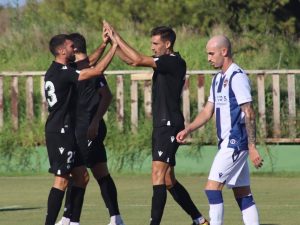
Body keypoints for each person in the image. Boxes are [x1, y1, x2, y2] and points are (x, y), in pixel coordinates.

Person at [104, 22, 208, 225]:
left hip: (169, 124)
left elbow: (136, 58)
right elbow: (131, 61)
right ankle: (200, 220)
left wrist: (117, 35)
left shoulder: (174, 61)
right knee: (168, 179)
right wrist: (113, 43)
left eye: (155, 43)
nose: (152, 47)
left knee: (157, 174)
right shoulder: (163, 60)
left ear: (167, 44)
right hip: (163, 124)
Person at [176, 35, 264, 225]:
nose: (208, 58)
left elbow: (249, 112)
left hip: (235, 142)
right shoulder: (217, 80)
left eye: (211, 53)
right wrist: (189, 128)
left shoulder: (237, 77)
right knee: (243, 194)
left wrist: (252, 146)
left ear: (224, 52)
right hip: (227, 143)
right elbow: (208, 111)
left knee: (212, 188)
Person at [44, 32, 118, 225]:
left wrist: (103, 45)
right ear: (61, 51)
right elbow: (94, 70)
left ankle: (72, 222)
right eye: (70, 46)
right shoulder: (62, 72)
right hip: (59, 131)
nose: (74, 49)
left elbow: (88, 61)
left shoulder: (62, 68)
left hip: (68, 130)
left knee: (81, 176)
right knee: (61, 180)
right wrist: (115, 48)